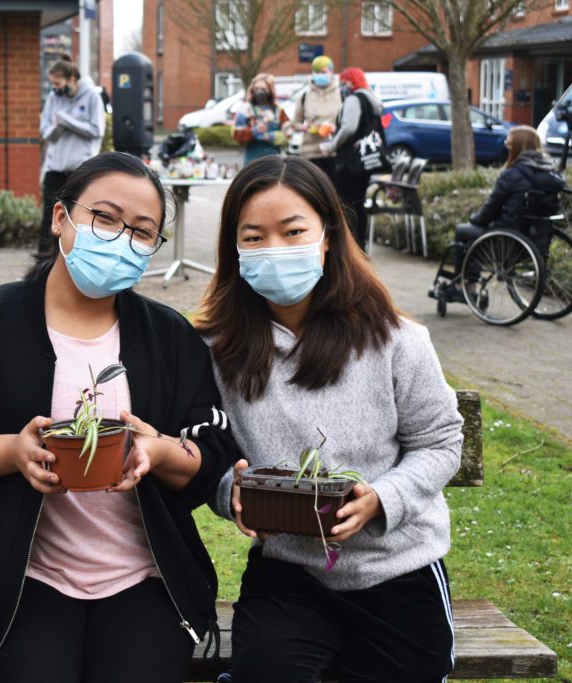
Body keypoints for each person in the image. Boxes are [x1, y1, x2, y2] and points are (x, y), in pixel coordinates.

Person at [0, 152, 237, 683]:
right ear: (60, 218)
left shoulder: (170, 339)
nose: (121, 238)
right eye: (105, 217)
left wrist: (160, 450)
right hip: (20, 581)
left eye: (143, 232)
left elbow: (212, 451)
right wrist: (11, 453)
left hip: (145, 579)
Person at [196, 155, 463, 683]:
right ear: (233, 248)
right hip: (289, 571)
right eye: (253, 237)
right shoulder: (215, 350)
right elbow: (205, 449)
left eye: (293, 231)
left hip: (399, 566)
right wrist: (231, 491)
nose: (274, 249)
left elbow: (441, 442)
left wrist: (383, 499)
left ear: (327, 236)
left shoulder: (395, 340)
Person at [451, 125, 567, 281]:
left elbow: (492, 208)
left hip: (507, 236)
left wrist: (475, 219)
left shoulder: (513, 174)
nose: (507, 147)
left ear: (517, 148)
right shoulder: (550, 174)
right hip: (535, 239)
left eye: (509, 144)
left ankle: (464, 286)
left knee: (463, 232)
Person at [38, 56, 106, 253]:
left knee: (78, 217)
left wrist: (67, 121)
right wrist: (56, 128)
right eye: (52, 84)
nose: (55, 88)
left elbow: (97, 130)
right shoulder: (54, 98)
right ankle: (43, 266)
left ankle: (76, 259)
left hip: (80, 170)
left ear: (72, 79)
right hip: (55, 168)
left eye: (58, 84)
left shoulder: (91, 96)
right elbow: (45, 131)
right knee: (49, 219)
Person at [319, 67, 388, 249]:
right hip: (366, 160)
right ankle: (361, 245)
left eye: (344, 82)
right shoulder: (370, 100)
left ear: (351, 82)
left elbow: (349, 127)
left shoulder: (353, 99)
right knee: (359, 201)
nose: (342, 86)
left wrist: (332, 145)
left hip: (351, 161)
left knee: (347, 202)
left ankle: (350, 246)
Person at [293, 55, 342, 178]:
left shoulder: (341, 94)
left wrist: (336, 128)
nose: (320, 75)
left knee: (335, 192)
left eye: (324, 72)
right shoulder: (304, 96)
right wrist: (305, 127)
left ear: (331, 72)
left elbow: (348, 122)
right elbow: (295, 123)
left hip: (334, 152)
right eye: (317, 72)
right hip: (310, 151)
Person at [232, 73, 290, 165]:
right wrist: (253, 131)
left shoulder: (279, 111)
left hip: (274, 163)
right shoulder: (245, 110)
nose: (259, 92)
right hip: (252, 162)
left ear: (270, 90)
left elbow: (289, 135)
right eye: (256, 89)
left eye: (263, 89)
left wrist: (271, 136)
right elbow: (236, 135)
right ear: (252, 90)